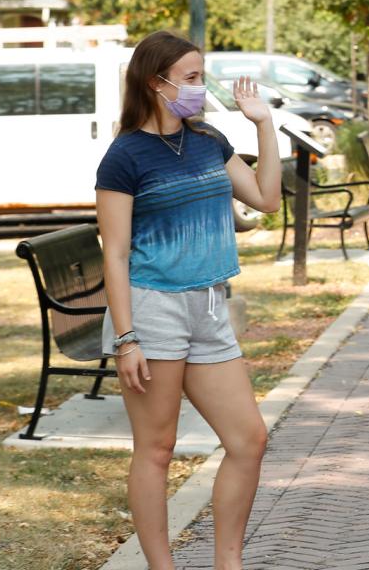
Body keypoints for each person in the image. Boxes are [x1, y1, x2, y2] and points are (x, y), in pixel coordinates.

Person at [96, 31, 282, 570]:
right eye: (193, 78)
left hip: (208, 308)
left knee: (248, 440)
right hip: (152, 311)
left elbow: (266, 199)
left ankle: (229, 564)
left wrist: (263, 125)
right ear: (157, 83)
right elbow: (116, 256)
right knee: (157, 449)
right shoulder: (124, 156)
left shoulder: (209, 142)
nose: (201, 87)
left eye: (202, 76)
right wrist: (127, 338)